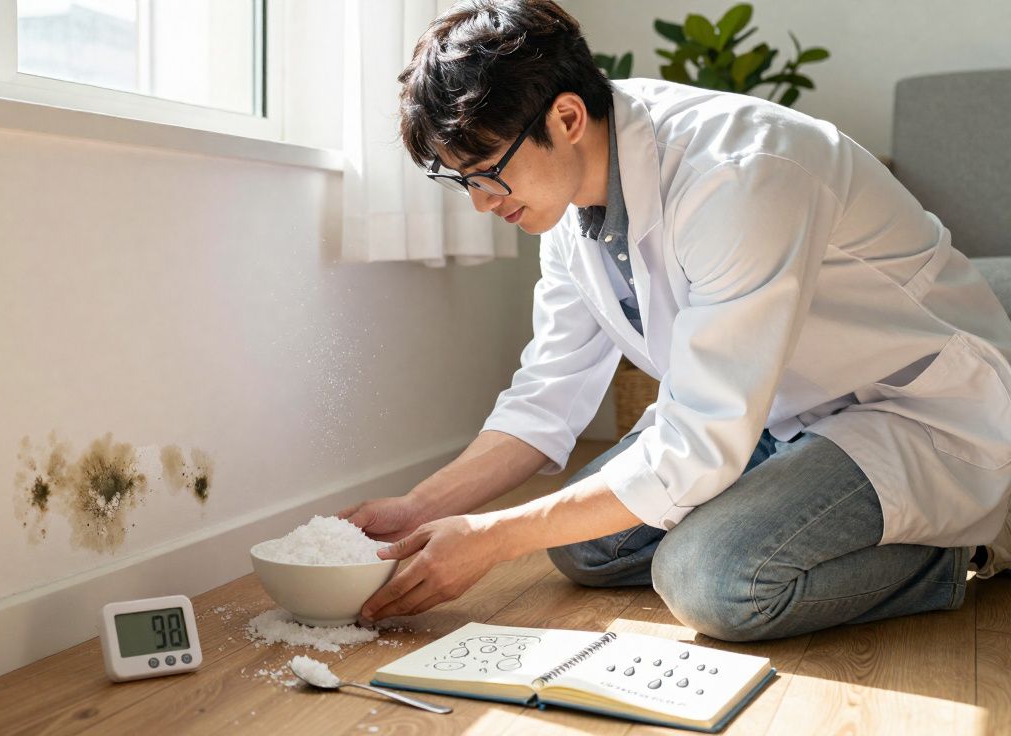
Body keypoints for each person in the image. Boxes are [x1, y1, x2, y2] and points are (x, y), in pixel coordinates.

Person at [339, 0, 1011, 642]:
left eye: (487, 175)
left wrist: (495, 537)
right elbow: (545, 401)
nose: (482, 205)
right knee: (584, 551)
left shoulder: (740, 174)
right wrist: (419, 510)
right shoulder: (569, 203)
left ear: (567, 118)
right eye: (463, 184)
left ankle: (962, 549)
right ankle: (786, 499)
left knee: (710, 578)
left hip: (909, 409)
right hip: (774, 411)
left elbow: (695, 446)